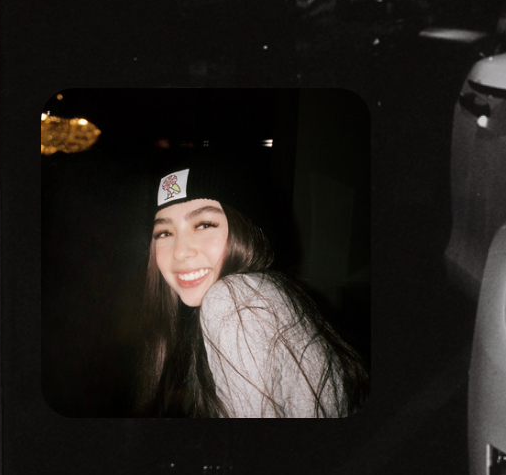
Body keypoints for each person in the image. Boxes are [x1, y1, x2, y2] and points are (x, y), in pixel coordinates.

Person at [136, 161, 367, 417]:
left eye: (204, 225)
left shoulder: (235, 299)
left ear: (245, 230)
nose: (180, 252)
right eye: (164, 233)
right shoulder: (262, 292)